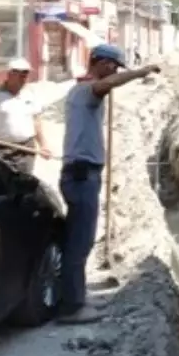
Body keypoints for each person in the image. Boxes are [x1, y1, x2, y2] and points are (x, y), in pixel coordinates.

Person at [56, 44, 161, 325]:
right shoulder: (87, 91)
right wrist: (140, 72)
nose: (115, 72)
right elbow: (108, 84)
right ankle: (71, 307)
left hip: (82, 175)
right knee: (79, 243)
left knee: (81, 241)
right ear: (101, 63)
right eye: (113, 66)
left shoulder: (82, 92)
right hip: (81, 176)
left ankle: (78, 296)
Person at [0, 58, 51, 176]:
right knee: (3, 181)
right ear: (10, 74)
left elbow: (36, 121)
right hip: (1, 149)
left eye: (26, 73)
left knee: (25, 181)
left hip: (26, 148)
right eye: (20, 74)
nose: (24, 77)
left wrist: (43, 145)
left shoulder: (30, 93)